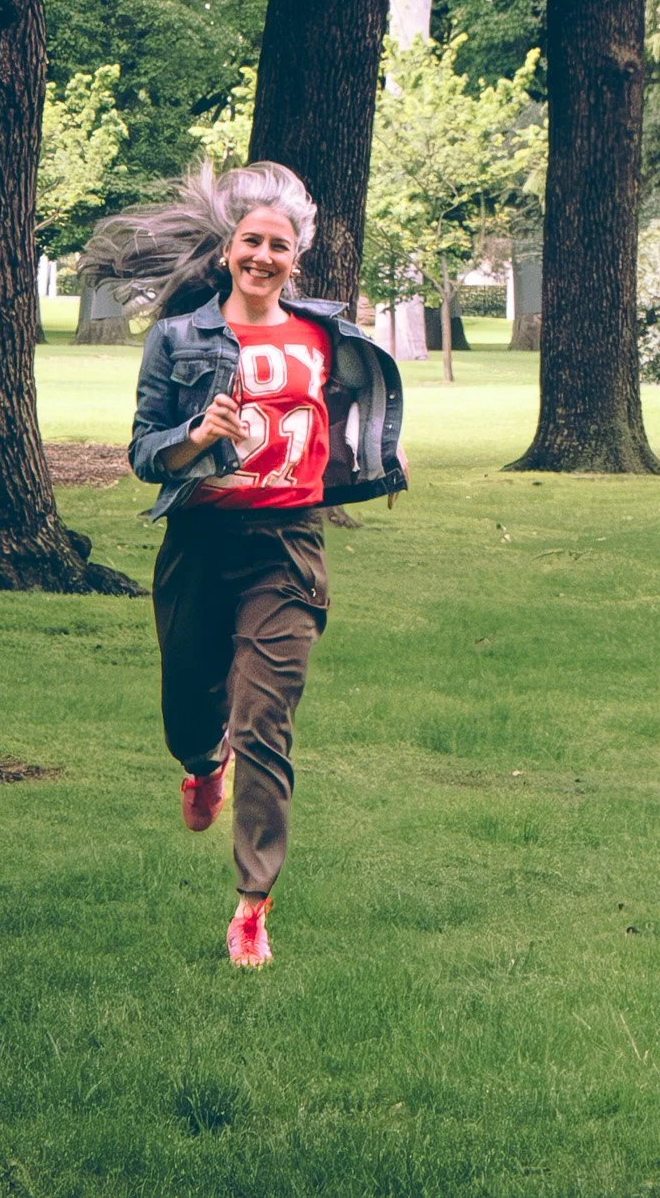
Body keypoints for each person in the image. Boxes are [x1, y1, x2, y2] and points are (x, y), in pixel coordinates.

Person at [83, 163, 406, 967]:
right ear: (230, 250)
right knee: (190, 704)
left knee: (266, 722)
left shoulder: (325, 335)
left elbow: (364, 405)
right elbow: (142, 451)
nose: (265, 256)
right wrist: (195, 437)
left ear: (298, 259)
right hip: (199, 540)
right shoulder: (179, 337)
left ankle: (252, 906)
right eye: (252, 242)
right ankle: (201, 763)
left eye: (280, 246)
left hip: (288, 546)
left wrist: (379, 467)